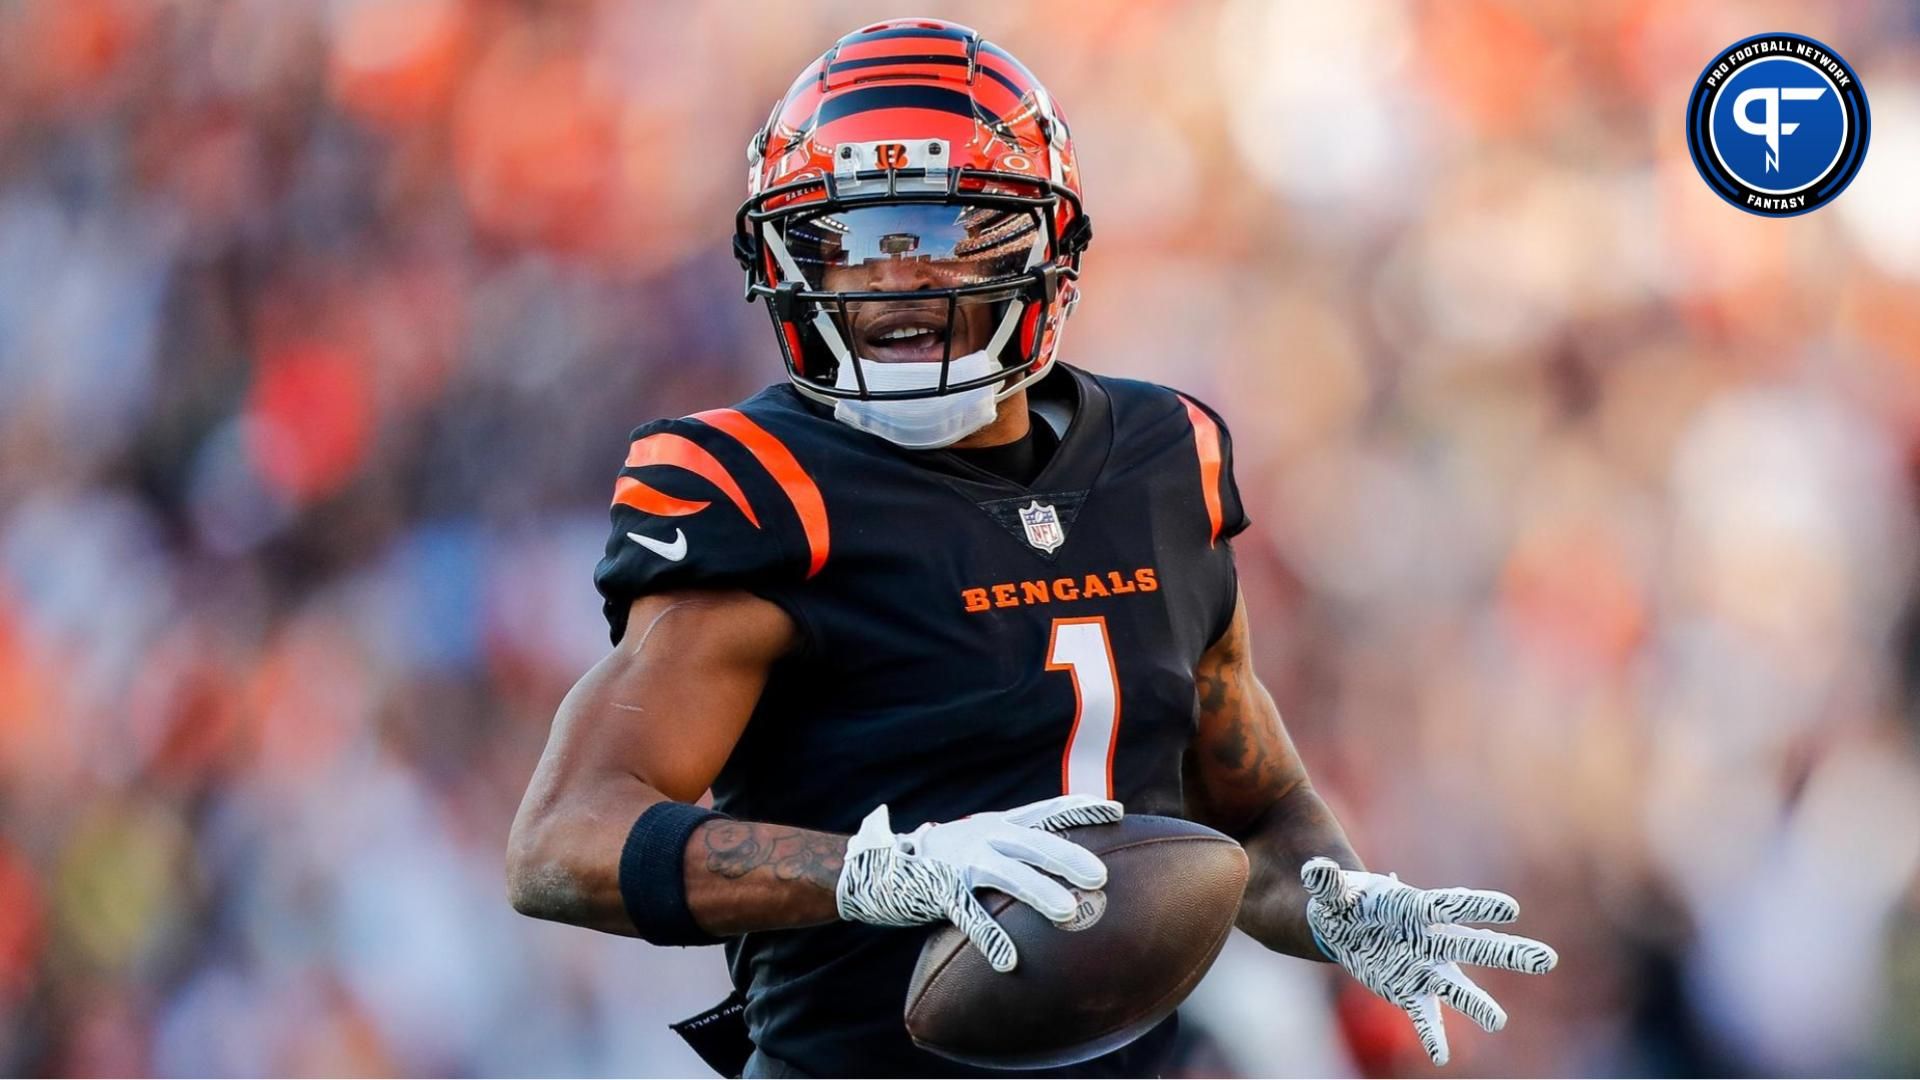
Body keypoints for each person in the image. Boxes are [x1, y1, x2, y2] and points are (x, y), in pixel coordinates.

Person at [507, 18, 1555, 1078]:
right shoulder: (766, 491)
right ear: (784, 256)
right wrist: (877, 874)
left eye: (941, 231)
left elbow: (1254, 817)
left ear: (1046, 246)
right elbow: (560, 842)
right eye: (851, 240)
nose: (894, 281)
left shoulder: (1162, 460)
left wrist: (1342, 904)